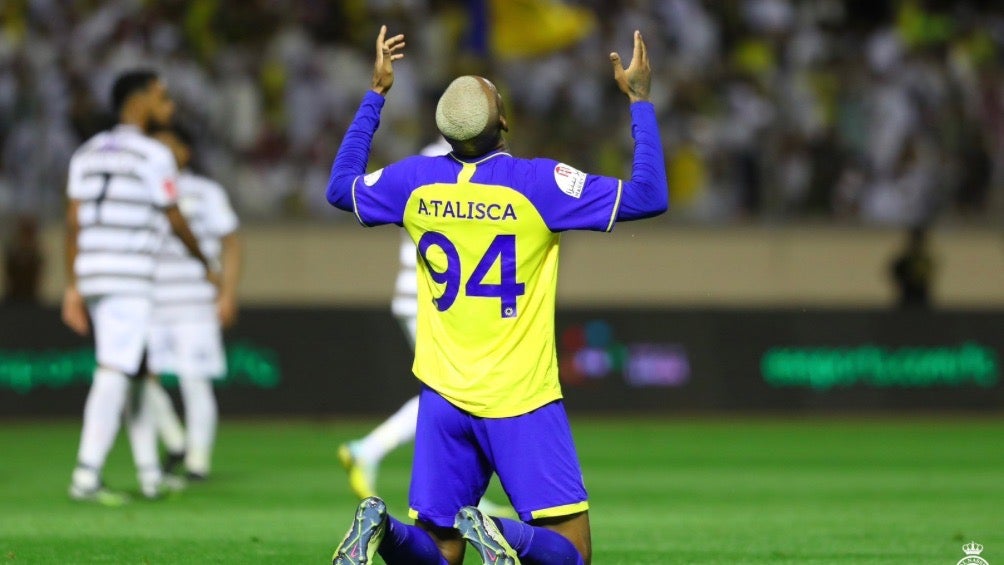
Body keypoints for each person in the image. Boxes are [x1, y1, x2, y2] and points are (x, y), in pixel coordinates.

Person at [325, 26, 666, 565]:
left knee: (440, 549)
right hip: (519, 396)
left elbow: (340, 186)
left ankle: (381, 529)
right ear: (504, 122)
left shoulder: (415, 182)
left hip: (442, 395)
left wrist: (375, 95)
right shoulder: (538, 183)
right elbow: (649, 195)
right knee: (574, 554)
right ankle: (503, 533)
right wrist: (640, 102)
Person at [62, 69, 218, 504]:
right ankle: (86, 475)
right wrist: (205, 262)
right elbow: (174, 217)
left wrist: (72, 285)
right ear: (140, 100)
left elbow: (73, 223)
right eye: (161, 96)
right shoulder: (153, 155)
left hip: (93, 270)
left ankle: (150, 474)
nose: (167, 105)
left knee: (132, 373)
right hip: (128, 274)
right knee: (115, 369)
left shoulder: (86, 153)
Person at [337, 136, 513, 519]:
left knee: (454, 392)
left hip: (418, 292)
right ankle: (368, 449)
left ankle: (469, 496)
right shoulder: (472, 167)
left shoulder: (421, 164)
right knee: (453, 393)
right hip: (435, 298)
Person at [143, 125, 242, 482]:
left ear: (185, 152)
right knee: (140, 377)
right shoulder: (142, 190)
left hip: (196, 303)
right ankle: (174, 438)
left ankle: (198, 461)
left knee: (194, 381)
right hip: (151, 301)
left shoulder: (206, 192)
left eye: (168, 146)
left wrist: (227, 292)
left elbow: (231, 243)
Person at [889, 226, 935, 309]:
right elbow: (896, 274)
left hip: (922, 300)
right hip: (907, 299)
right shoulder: (904, 261)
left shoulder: (926, 261)